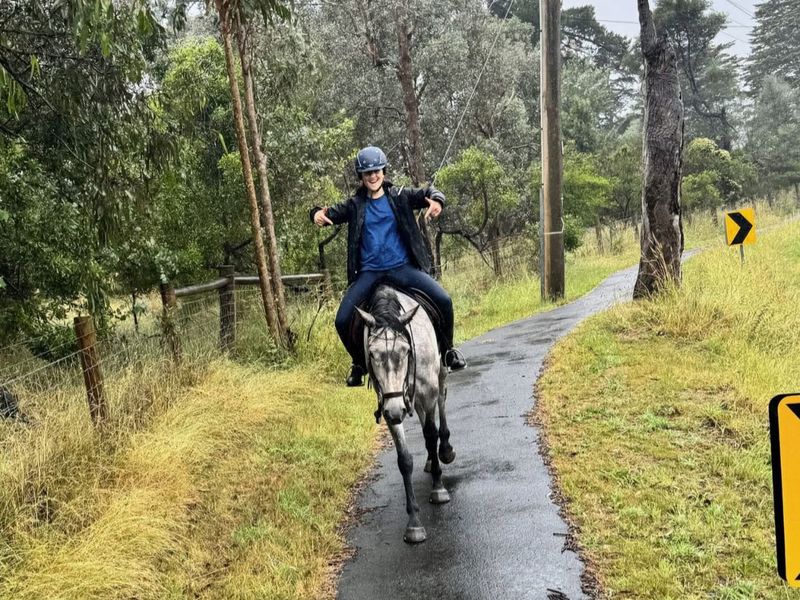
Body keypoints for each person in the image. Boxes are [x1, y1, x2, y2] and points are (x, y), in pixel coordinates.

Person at [310, 146, 467, 386]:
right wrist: (315, 215)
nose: (373, 176)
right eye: (367, 173)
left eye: (376, 171)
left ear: (383, 172)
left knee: (444, 300)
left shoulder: (400, 195)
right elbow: (326, 213)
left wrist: (437, 200)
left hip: (403, 269)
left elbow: (428, 192)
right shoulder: (354, 205)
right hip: (369, 274)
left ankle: (448, 352)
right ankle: (359, 364)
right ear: (361, 177)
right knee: (341, 320)